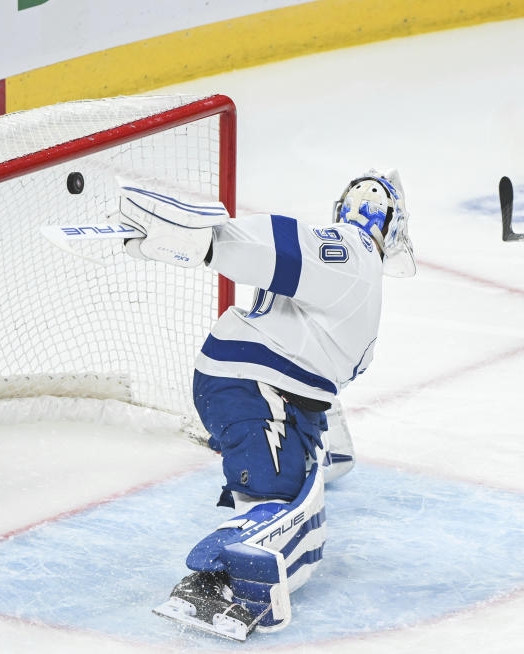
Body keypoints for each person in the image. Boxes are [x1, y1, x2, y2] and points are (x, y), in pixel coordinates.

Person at [116, 169, 414, 639]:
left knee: (294, 493)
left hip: (258, 388)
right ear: (390, 223)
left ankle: (268, 491)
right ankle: (209, 576)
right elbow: (286, 248)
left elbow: (323, 377)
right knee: (278, 504)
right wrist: (208, 243)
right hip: (253, 387)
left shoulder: (363, 275)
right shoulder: (352, 249)